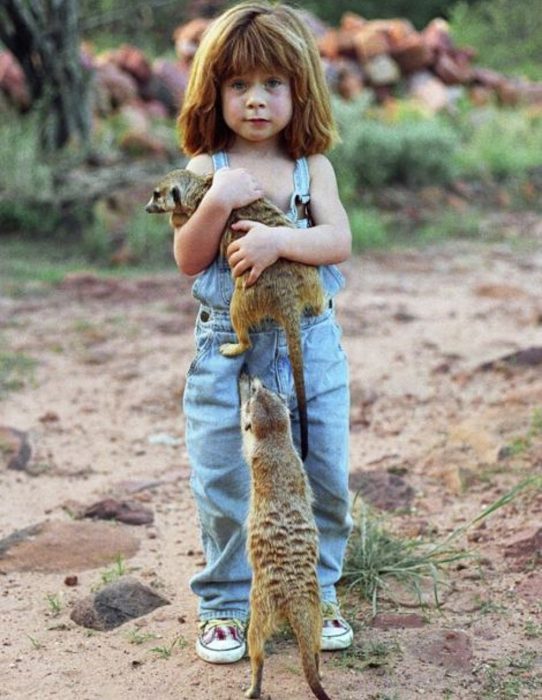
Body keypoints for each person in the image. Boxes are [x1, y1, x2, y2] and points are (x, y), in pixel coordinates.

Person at [173, 0, 353, 664]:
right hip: (226, 348)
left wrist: (281, 238)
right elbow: (190, 259)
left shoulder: (313, 168)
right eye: (239, 85)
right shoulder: (204, 169)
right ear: (214, 91)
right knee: (224, 475)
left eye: (272, 84)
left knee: (322, 469)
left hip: (310, 342)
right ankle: (224, 602)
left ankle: (319, 589)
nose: (255, 101)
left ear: (298, 88)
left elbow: (337, 240)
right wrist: (216, 200)